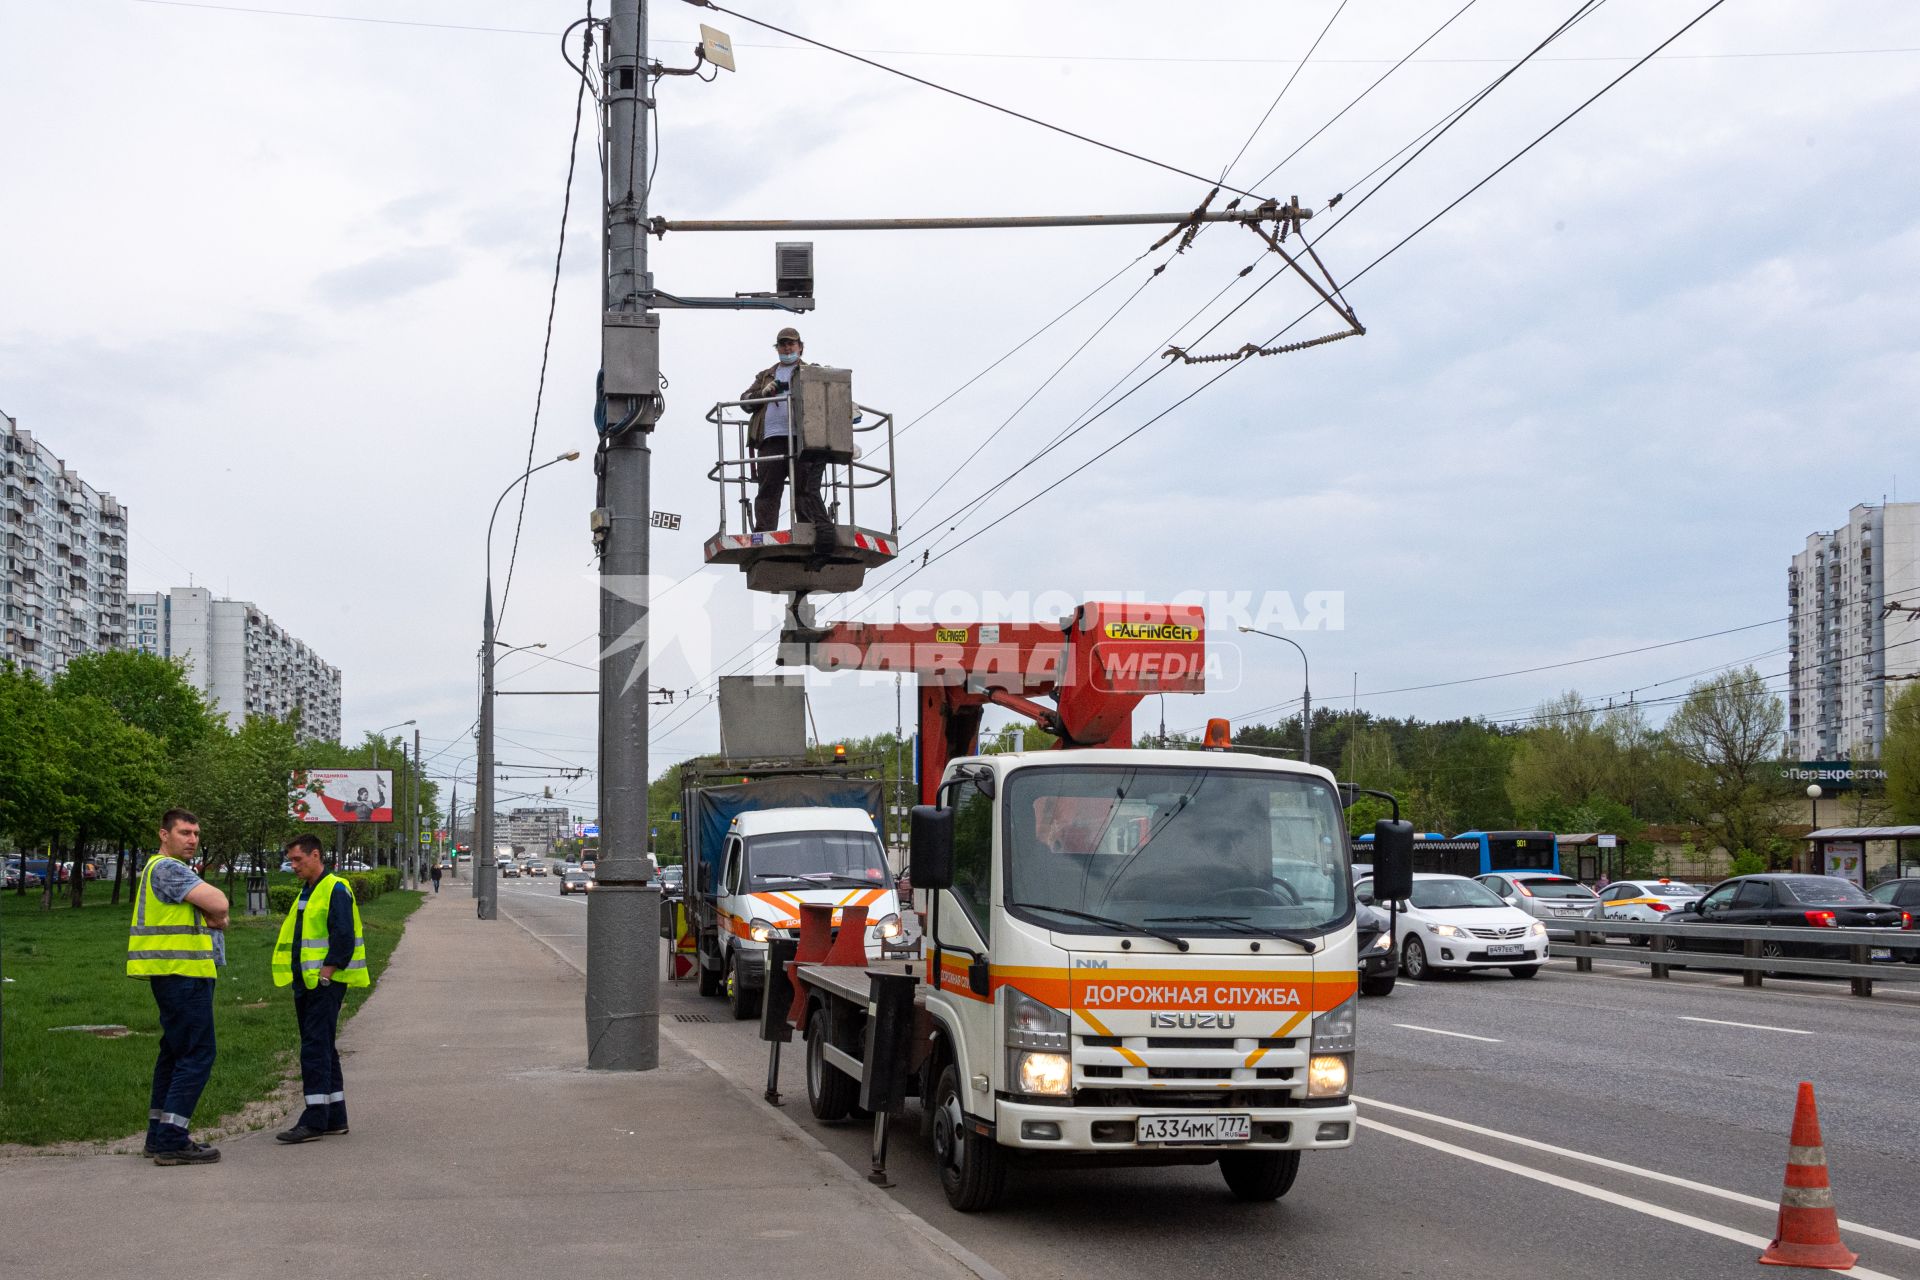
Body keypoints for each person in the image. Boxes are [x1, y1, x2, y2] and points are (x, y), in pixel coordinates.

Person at [128, 809, 229, 1165]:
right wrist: (215, 910)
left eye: (196, 833)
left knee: (174, 1053)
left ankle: (159, 1135)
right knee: (198, 1054)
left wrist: (214, 915)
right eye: (185, 832)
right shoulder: (168, 868)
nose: (192, 839)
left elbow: (219, 919)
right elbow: (219, 905)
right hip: (183, 974)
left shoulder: (169, 870)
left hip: (176, 973)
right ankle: (172, 1139)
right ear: (163, 834)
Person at [272, 833, 369, 1144]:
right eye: (291, 860)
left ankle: (313, 1120)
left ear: (316, 855)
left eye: (298, 859)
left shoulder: (334, 888)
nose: (294, 866)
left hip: (323, 983)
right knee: (324, 1047)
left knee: (314, 1048)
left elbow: (344, 934)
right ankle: (334, 1116)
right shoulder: (308, 891)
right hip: (308, 982)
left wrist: (327, 972)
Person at [741, 326, 828, 531]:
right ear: (777, 348)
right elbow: (744, 402)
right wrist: (763, 393)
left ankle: (808, 529)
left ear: (800, 347)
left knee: (805, 488)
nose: (787, 348)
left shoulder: (812, 372)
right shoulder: (766, 375)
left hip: (803, 439)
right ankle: (764, 530)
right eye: (783, 344)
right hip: (771, 438)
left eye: (791, 343)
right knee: (769, 487)